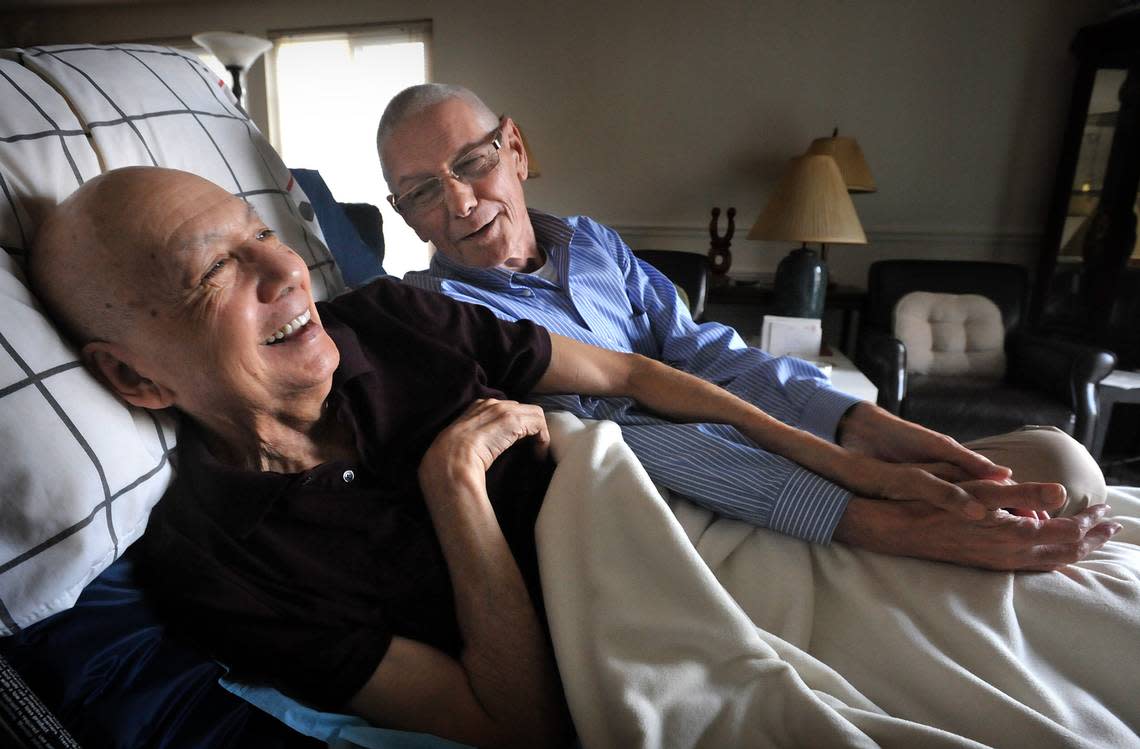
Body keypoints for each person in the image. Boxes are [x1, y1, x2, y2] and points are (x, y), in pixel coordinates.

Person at [29, 167, 1082, 747]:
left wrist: (845, 465)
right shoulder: (217, 563)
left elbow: (630, 377)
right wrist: (456, 488)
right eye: (215, 268)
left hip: (700, 503)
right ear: (135, 381)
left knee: (1063, 506)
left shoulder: (397, 316)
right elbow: (517, 722)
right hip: (659, 627)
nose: (285, 270)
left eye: (263, 235)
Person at [383, 83, 1116, 569]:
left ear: (512, 146)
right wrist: (870, 508)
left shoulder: (588, 241)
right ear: (403, 213)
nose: (458, 201)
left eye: (471, 161)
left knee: (1055, 462)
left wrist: (859, 423)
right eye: (420, 191)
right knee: (620, 435)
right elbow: (620, 435)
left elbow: (700, 347)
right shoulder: (441, 315)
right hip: (690, 494)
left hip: (766, 441)